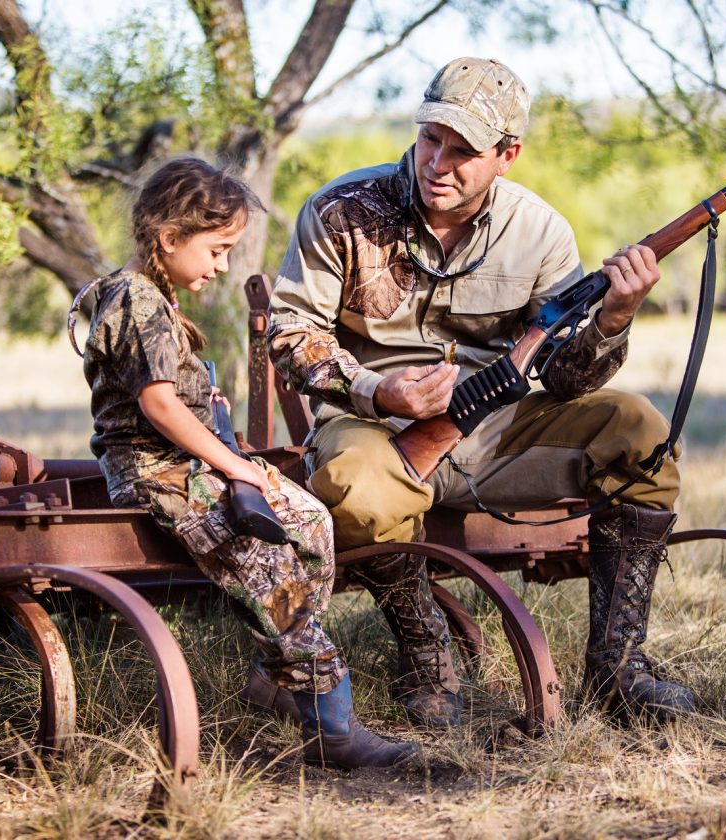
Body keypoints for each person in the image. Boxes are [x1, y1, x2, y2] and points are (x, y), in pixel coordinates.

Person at [265, 58, 696, 725]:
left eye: (463, 150)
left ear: (507, 155)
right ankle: (426, 653)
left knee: (640, 433)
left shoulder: (541, 232)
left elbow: (565, 378)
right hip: (374, 427)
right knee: (355, 484)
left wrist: (614, 319)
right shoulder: (340, 211)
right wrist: (380, 390)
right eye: (430, 138)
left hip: (500, 434)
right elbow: (292, 334)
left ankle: (618, 667)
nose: (437, 163)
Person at [79, 157, 415, 768]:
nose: (222, 265)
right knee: (268, 569)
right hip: (157, 473)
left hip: (187, 462)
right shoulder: (135, 297)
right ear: (169, 237)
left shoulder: (155, 297)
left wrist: (205, 406)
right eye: (216, 250)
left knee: (310, 521)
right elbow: (156, 404)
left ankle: (276, 676)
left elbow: (167, 393)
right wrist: (234, 466)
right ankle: (331, 723)